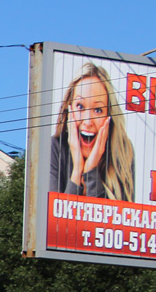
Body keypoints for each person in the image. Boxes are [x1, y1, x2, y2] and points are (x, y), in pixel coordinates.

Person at [50, 62, 135, 202]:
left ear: (109, 116)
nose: (88, 122)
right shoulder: (55, 147)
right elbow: (57, 222)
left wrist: (91, 171)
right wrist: (77, 170)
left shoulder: (123, 152)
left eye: (98, 110)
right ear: (69, 110)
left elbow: (111, 222)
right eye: (80, 106)